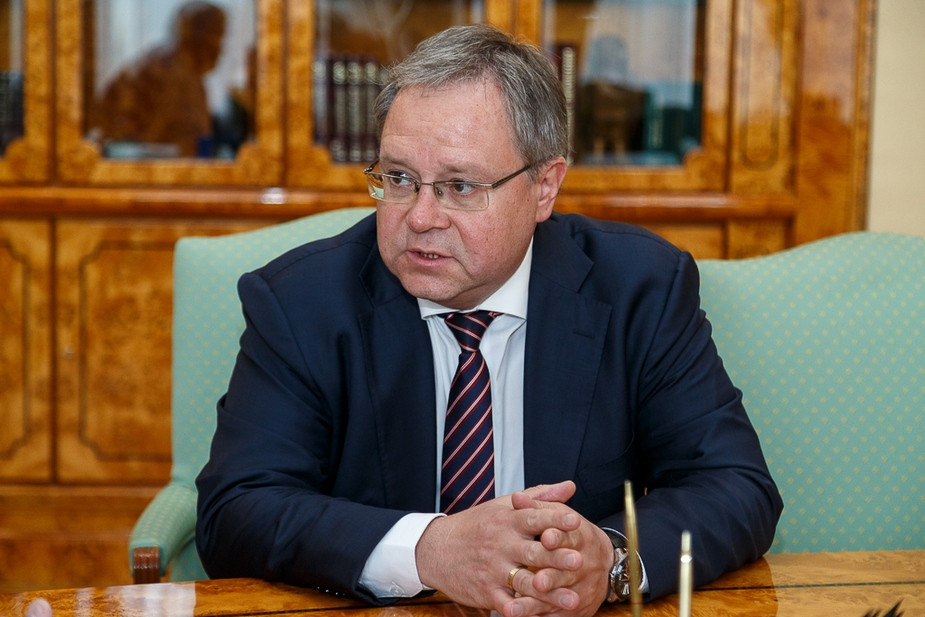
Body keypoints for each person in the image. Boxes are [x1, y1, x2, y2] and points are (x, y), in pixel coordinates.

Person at [196, 24, 782, 617]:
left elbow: (735, 486)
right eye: (398, 179)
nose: (420, 217)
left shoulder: (640, 289)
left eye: (459, 186)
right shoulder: (302, 302)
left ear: (544, 187)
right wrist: (429, 549)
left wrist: (609, 561)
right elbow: (236, 511)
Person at [90, 1, 226, 157]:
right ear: (196, 36)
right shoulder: (160, 75)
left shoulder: (190, 75)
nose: (221, 48)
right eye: (217, 37)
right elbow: (128, 143)